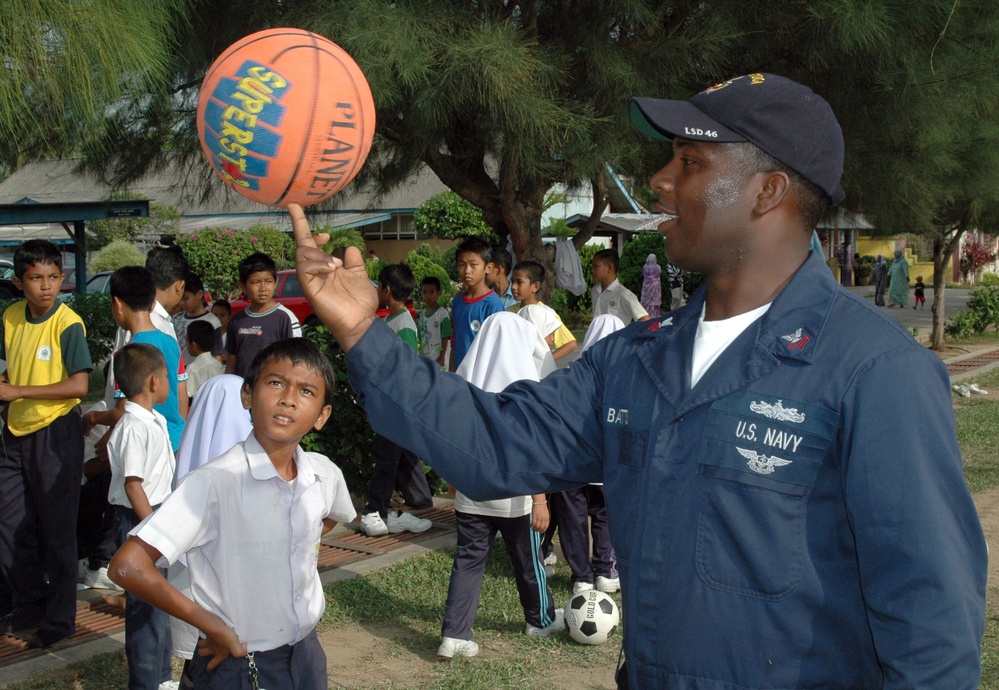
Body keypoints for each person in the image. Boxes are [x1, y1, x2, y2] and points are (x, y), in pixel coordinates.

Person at [288, 71, 987, 689]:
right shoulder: (634, 359)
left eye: (687, 161)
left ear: (767, 191)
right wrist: (361, 333)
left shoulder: (873, 370)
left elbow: (928, 619)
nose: (658, 179)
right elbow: (493, 445)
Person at [109, 338, 356, 689]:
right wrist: (213, 626)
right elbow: (127, 566)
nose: (288, 398)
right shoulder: (213, 484)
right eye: (275, 383)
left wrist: (279, 547)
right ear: (247, 395)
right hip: (240, 660)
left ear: (322, 416)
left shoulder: (322, 474)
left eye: (306, 391)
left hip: (306, 654)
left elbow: (327, 517)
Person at [439, 312, 561, 659]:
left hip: (472, 493)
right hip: (516, 498)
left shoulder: (468, 384)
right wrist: (540, 499)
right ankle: (541, 620)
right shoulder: (526, 392)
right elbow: (531, 450)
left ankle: (455, 634)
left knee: (469, 560)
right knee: (529, 561)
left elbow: (452, 437)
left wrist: (453, 476)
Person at [0, 240, 93, 648]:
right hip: (14, 433)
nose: (46, 286)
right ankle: (28, 602)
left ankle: (59, 620)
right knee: (10, 524)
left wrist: (16, 391)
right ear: (19, 282)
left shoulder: (68, 322)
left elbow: (80, 384)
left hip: (57, 433)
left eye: (53, 277)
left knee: (57, 531)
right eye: (36, 278)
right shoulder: (9, 316)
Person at [106, 342, 175, 690]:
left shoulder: (152, 420)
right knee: (146, 607)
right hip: (140, 520)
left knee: (159, 599)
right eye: (165, 375)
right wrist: (153, 527)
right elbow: (134, 484)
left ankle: (163, 676)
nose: (169, 381)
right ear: (152, 382)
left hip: (153, 514)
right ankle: (148, 681)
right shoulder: (133, 426)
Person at [550, 314, 626, 596]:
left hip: (573, 458)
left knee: (573, 516)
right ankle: (605, 570)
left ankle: (582, 575)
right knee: (606, 515)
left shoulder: (575, 371)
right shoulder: (628, 373)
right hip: (610, 461)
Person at [359, 264, 434, 538]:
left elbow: (405, 366)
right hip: (391, 402)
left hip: (394, 403)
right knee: (403, 455)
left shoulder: (403, 324)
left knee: (387, 459)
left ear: (386, 290)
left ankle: (374, 510)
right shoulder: (391, 320)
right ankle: (417, 500)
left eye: (378, 286)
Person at [225, 252, 302, 378]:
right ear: (242, 285)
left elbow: (295, 361)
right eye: (255, 282)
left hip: (271, 390)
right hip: (241, 389)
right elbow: (231, 361)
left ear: (276, 282)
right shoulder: (236, 320)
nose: (263, 288)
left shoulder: (285, 318)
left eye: (268, 281)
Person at [449, 237, 504, 370]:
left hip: (481, 378)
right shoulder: (457, 302)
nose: (467, 271)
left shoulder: (493, 305)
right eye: (462, 265)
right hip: (459, 377)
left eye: (473, 265)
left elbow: (499, 350)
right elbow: (455, 344)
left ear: (488, 267)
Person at [510, 260, 577, 362]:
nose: (514, 287)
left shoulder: (547, 314)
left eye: (519, 282)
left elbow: (570, 344)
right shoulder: (509, 312)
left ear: (535, 287)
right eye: (512, 281)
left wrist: (543, 361)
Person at [172, 273, 221, 366]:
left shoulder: (212, 321)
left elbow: (217, 355)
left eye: (185, 298)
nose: (181, 303)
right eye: (180, 298)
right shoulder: (176, 319)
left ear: (200, 294)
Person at [590, 248, 649, 323]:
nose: (592, 270)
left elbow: (644, 319)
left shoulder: (623, 294)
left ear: (610, 268)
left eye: (596, 266)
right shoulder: (595, 291)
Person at [184, 320, 224, 402]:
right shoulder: (218, 365)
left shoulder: (193, 369)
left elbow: (186, 396)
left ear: (194, 345)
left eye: (187, 341)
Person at [417, 276, 452, 369]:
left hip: (439, 360)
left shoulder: (442, 314)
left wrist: (442, 357)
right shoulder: (422, 316)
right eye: (424, 292)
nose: (427, 296)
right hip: (426, 359)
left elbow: (445, 337)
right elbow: (420, 338)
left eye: (431, 292)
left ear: (438, 293)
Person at [209, 299, 231, 365]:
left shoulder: (233, 334)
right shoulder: (208, 334)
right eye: (215, 315)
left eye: (222, 315)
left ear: (229, 316)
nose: (218, 318)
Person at [640, 253, 662, 318]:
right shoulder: (658, 267)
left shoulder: (645, 267)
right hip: (656, 285)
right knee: (655, 303)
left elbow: (644, 275)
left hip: (647, 285)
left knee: (647, 304)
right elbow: (659, 274)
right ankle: (655, 316)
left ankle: (647, 315)